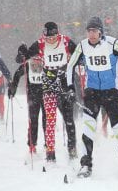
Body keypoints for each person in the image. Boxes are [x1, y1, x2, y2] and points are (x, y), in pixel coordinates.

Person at [66, 16, 118, 178]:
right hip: (91, 93)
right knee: (88, 128)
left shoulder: (112, 44)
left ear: (101, 32)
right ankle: (86, 165)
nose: (91, 34)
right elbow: (70, 66)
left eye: (95, 31)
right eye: (89, 31)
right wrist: (71, 87)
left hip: (110, 93)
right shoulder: (83, 46)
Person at [16, 22, 77, 161]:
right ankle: (50, 152)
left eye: (53, 37)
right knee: (50, 119)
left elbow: (79, 53)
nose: (50, 40)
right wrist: (22, 53)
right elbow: (24, 58)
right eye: (48, 37)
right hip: (48, 83)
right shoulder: (40, 43)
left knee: (68, 118)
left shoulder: (66, 42)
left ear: (57, 34)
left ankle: (72, 148)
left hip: (64, 82)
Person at [8, 56, 46, 153]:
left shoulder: (46, 63)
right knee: (33, 121)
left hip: (46, 95)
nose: (36, 63)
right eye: (35, 60)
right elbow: (17, 74)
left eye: (39, 60)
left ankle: (48, 143)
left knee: (47, 121)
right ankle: (32, 144)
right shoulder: (27, 65)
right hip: (33, 97)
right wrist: (13, 88)